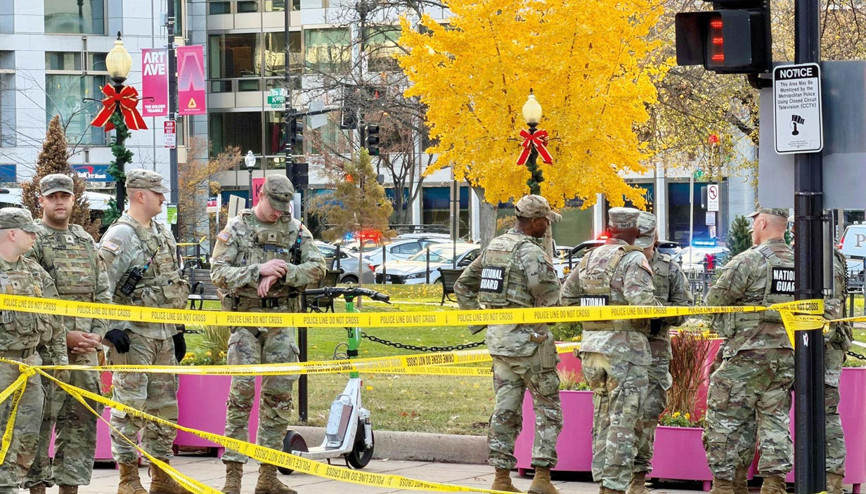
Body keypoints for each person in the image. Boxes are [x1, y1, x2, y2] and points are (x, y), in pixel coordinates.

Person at [211, 174, 325, 494]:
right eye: (274, 205)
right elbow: (218, 272)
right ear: (260, 195)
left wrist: (284, 272)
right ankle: (233, 478)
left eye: (283, 207)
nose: (278, 212)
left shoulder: (295, 230)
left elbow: (318, 267)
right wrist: (257, 272)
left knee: (278, 399)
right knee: (241, 395)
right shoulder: (236, 229)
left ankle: (267, 476)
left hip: (279, 323)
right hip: (245, 322)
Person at [454, 194, 563, 494]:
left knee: (505, 411)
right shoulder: (531, 252)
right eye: (546, 221)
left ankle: (501, 478)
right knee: (548, 411)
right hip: (532, 345)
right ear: (535, 221)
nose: (547, 226)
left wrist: (478, 322)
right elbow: (548, 293)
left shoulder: (495, 247)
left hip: (500, 343)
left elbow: (463, 284)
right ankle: (542, 478)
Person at [98, 170, 190, 494]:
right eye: (158, 193)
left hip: (163, 335)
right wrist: (110, 329)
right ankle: (128, 480)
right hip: (133, 338)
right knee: (129, 407)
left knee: (164, 408)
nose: (163, 198)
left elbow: (170, 284)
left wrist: (177, 330)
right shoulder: (120, 236)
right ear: (140, 195)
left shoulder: (162, 233)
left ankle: (161, 478)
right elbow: (100, 285)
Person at [560, 207, 659, 494]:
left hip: (592, 350)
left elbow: (567, 300)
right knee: (624, 423)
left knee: (602, 419)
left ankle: (603, 481)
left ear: (611, 227)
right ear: (636, 231)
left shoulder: (589, 257)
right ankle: (614, 488)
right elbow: (643, 304)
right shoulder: (633, 258)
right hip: (626, 352)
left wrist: (595, 319)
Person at [24, 175, 112, 494]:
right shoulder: (31, 239)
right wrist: (64, 338)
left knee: (82, 422)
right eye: (52, 196)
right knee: (39, 420)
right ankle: (36, 487)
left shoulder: (84, 240)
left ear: (74, 200)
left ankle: (70, 488)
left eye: (65, 196)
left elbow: (102, 292)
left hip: (85, 352)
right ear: (41, 201)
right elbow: (30, 301)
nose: (59, 201)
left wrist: (97, 335)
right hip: (47, 352)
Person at [703, 208, 795, 494]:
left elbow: (714, 303)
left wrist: (731, 331)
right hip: (786, 356)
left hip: (746, 355)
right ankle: (773, 483)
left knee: (725, 417)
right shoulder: (803, 263)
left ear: (763, 222)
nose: (753, 227)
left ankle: (726, 483)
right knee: (775, 418)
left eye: (755, 221)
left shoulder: (748, 260)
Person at [627, 212, 692, 494]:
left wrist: (659, 314)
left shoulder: (668, 268)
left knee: (649, 411)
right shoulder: (620, 263)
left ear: (654, 237)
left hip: (654, 348)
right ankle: (615, 474)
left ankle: (638, 476)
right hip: (624, 347)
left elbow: (684, 308)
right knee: (620, 413)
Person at [0, 207, 62, 494]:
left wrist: (59, 360)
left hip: (30, 365)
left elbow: (56, 316)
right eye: (29, 231)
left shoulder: (34, 271)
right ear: (12, 233)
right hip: (2, 366)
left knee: (26, 438)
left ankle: (12, 484)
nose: (35, 235)